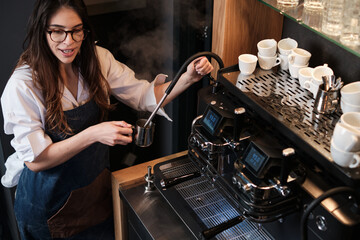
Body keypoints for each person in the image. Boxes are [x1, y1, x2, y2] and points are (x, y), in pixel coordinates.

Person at [0, 0, 214, 239]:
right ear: (42, 31)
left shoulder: (96, 59)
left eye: (76, 30)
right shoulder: (24, 84)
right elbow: (36, 161)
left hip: (94, 195)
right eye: (57, 31)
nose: (68, 41)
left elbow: (144, 96)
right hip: (48, 207)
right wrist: (94, 134)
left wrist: (187, 78)